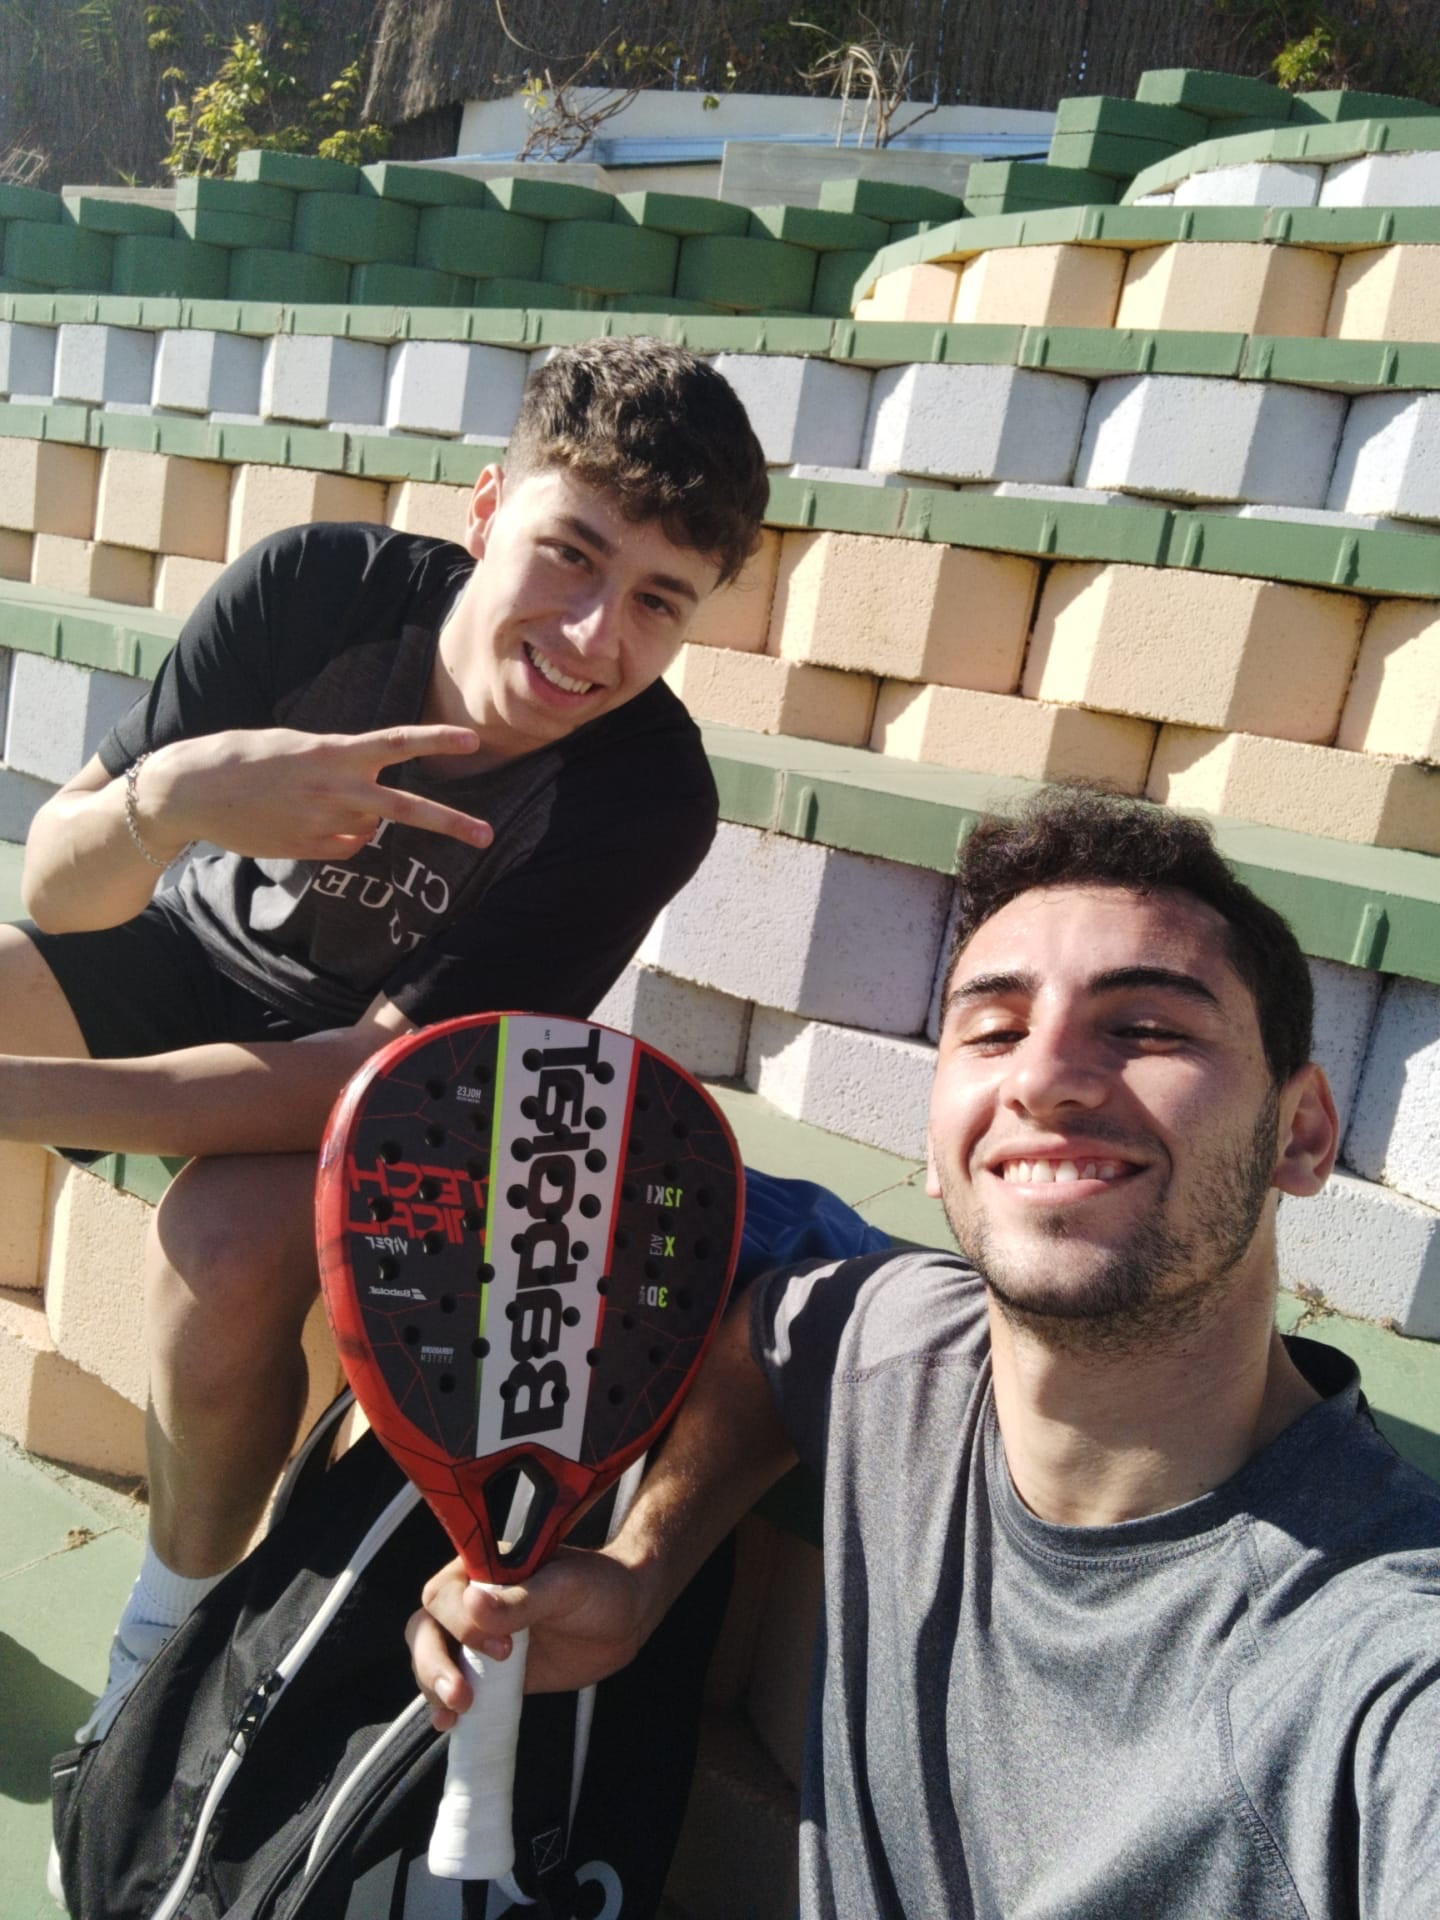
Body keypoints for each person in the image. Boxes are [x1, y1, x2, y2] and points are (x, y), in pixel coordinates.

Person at [411, 786, 1440, 1920]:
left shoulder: (1382, 1657)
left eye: (1147, 1028)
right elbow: (770, 1343)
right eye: (994, 1031)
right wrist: (644, 1569)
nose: (1041, 1078)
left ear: (1303, 1133)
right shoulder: (901, 1340)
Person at [1, 336, 768, 1741]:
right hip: (192, 952)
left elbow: (362, 1076)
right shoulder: (316, 593)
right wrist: (172, 800)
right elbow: (56, 887)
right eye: (570, 555)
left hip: (395, 1076)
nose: (593, 635)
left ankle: (159, 1652)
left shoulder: (644, 795)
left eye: (658, 601)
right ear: (485, 510)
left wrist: (18, 1095)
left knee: (225, 1247)